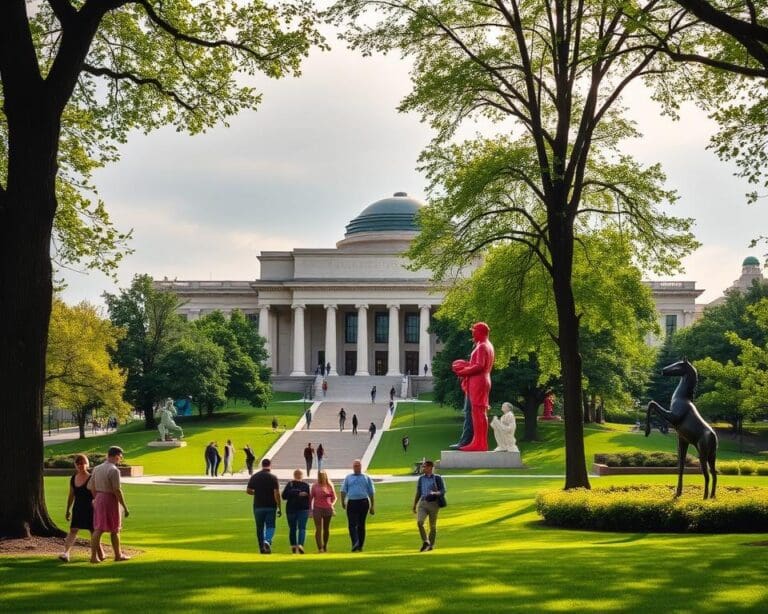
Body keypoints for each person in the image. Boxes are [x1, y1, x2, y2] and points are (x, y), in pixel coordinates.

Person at [451, 321, 495, 452]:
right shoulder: (487, 345)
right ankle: (478, 441)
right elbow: (478, 364)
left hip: (478, 382)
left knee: (478, 413)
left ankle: (480, 443)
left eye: (474, 331)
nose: (472, 334)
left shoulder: (482, 346)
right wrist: (466, 365)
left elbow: (479, 366)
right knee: (478, 413)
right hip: (481, 381)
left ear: (481, 332)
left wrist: (462, 371)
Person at [88, 446, 131, 563]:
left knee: (98, 528)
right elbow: (117, 490)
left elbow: (91, 487)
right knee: (115, 529)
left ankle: (93, 556)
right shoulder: (114, 470)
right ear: (117, 456)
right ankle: (118, 555)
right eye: (120, 456)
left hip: (99, 498)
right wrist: (125, 507)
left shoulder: (97, 468)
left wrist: (96, 498)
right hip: (110, 499)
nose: (121, 459)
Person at [58, 454, 103, 563]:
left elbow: (96, 495)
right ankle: (66, 553)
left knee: (93, 531)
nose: (80, 465)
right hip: (77, 508)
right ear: (75, 465)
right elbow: (71, 495)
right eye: (78, 463)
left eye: (82, 463)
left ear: (87, 464)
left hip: (90, 508)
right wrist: (68, 509)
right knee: (73, 530)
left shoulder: (92, 477)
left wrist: (98, 508)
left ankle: (98, 555)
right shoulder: (73, 478)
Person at [246, 458, 281, 554]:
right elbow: (277, 493)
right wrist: (279, 506)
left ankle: (261, 547)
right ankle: (267, 540)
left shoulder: (255, 476)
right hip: (270, 506)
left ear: (262, 465)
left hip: (258, 506)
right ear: (270, 465)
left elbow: (248, 490)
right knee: (270, 526)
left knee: (259, 527)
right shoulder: (273, 477)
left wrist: (257, 493)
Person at [340, 459, 375, 552]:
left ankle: (360, 545)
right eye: (355, 466)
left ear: (361, 466)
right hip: (352, 502)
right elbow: (343, 490)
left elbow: (371, 492)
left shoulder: (366, 477)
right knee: (352, 524)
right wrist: (343, 502)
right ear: (353, 467)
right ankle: (355, 542)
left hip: (363, 502)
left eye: (358, 465)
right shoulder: (348, 478)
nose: (357, 467)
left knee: (361, 525)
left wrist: (372, 506)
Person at [411, 460, 446, 552]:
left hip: (434, 504)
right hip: (423, 503)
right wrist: (415, 504)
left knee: (432, 526)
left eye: (425, 466)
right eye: (423, 466)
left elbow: (443, 490)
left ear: (430, 467)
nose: (423, 468)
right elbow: (418, 492)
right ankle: (425, 541)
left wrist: (435, 493)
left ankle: (431, 545)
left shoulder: (437, 478)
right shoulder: (421, 479)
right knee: (419, 522)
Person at [282, 469, 311, 554]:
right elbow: (308, 496)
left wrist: (292, 493)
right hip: (303, 509)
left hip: (291, 509)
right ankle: (300, 545)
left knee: (292, 528)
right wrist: (298, 493)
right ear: (302, 476)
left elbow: (284, 496)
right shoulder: (305, 485)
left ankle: (293, 546)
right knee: (302, 528)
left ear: (294, 475)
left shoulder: (290, 485)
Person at [310, 470, 337, 552]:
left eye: (323, 476)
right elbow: (310, 498)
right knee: (318, 528)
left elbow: (334, 497)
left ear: (326, 476)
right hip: (317, 508)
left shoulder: (330, 485)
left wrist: (332, 504)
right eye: (320, 476)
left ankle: (325, 545)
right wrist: (310, 511)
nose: (321, 478)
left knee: (326, 528)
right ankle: (320, 547)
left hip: (327, 508)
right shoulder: (315, 486)